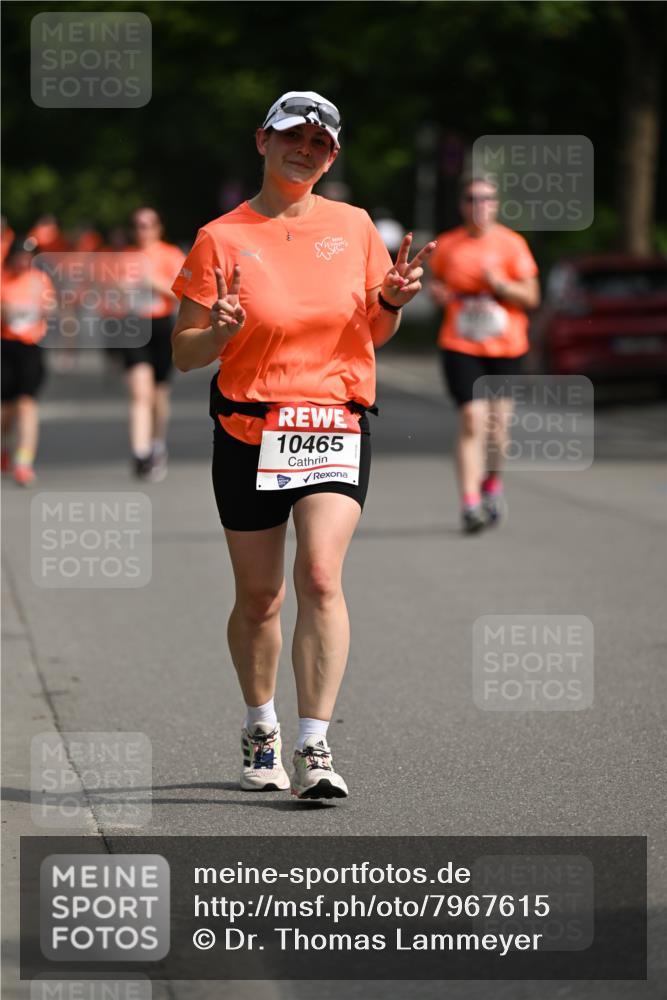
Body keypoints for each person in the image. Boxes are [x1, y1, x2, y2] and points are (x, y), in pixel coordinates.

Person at [172, 90, 434, 801]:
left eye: (320, 144)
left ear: (332, 157)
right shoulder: (219, 237)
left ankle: (315, 745)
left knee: (320, 577)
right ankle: (262, 730)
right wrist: (220, 329)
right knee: (260, 597)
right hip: (249, 431)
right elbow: (185, 354)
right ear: (263, 141)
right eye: (294, 137)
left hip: (333, 423)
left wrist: (391, 302)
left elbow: (371, 333)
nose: (306, 151)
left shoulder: (352, 228)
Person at [428, 175, 540, 533]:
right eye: (473, 198)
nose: (480, 205)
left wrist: (501, 285)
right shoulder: (447, 245)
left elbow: (532, 297)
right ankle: (470, 503)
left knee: (497, 427)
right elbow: (439, 283)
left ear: (496, 204)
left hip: (506, 346)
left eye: (487, 198)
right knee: (472, 421)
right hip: (461, 344)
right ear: (462, 205)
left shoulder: (512, 244)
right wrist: (439, 295)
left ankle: (492, 482)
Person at [121, 208, 184, 481]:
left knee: (159, 395)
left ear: (158, 227)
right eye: (137, 225)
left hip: (160, 327)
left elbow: (184, 292)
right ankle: (140, 452)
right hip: (133, 326)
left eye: (148, 224)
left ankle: (157, 443)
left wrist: (152, 283)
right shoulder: (123, 257)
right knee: (139, 392)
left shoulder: (170, 254)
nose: (142, 230)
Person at [1, 234, 55, 485]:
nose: (24, 261)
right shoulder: (3, 279)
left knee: (27, 404)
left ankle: (23, 462)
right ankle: (5, 447)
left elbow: (51, 305)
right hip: (5, 345)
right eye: (20, 256)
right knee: (6, 410)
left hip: (30, 347)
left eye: (28, 257)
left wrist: (46, 308)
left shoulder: (39, 280)